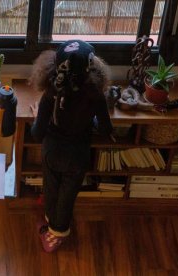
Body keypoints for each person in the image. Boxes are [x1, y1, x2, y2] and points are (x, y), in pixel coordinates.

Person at [29, 40, 114, 253]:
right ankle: (58, 230)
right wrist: (91, 121)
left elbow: (37, 134)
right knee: (68, 195)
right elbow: (105, 130)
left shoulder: (51, 94)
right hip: (78, 154)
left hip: (52, 151)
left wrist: (36, 116)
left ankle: (53, 233)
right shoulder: (96, 95)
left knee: (51, 188)